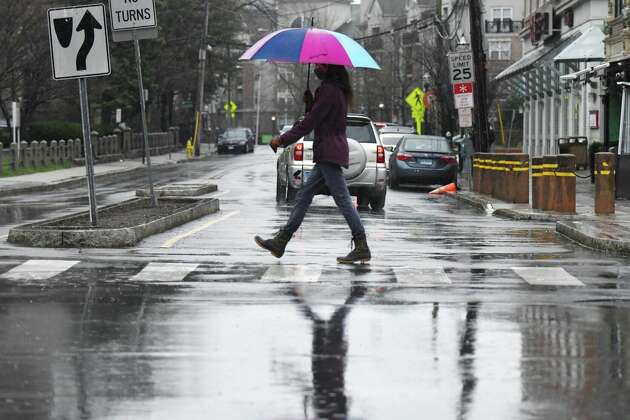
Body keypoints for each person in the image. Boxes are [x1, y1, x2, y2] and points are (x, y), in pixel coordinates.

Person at [254, 63, 371, 264]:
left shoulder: (328, 90)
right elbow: (320, 117)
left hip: (329, 151)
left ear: (329, 68)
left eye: (321, 64)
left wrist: (282, 139)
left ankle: (361, 245)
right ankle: (281, 241)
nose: (317, 66)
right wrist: (311, 103)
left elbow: (310, 123)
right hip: (329, 150)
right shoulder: (337, 90)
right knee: (304, 196)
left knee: (342, 198)